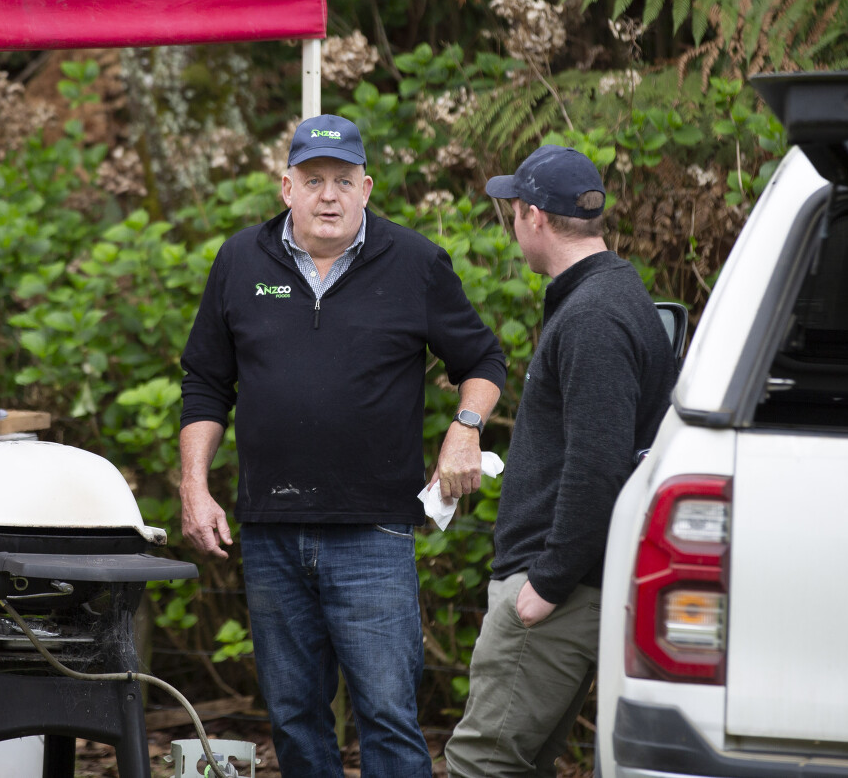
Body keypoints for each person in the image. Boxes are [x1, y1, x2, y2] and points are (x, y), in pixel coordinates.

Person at [180, 114, 508, 778]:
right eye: (313, 180)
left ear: (366, 188)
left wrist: (465, 428)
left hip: (372, 533)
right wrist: (194, 485)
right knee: (293, 717)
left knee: (387, 715)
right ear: (286, 188)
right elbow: (205, 383)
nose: (328, 195)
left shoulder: (416, 263)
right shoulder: (239, 262)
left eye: (342, 180)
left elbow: (482, 361)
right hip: (271, 531)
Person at [444, 146, 678, 778]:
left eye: (513, 211)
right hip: (572, 582)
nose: (513, 224)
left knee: (480, 765)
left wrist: (546, 585)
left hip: (559, 591)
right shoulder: (611, 294)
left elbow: (599, 465)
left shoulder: (594, 315)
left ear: (533, 215)